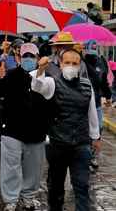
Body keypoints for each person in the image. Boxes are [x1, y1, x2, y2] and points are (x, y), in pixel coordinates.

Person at [31, 49, 100, 211]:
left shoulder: (86, 84)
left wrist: (96, 136)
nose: (70, 66)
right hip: (58, 144)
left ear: (79, 65)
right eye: (67, 62)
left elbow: (91, 112)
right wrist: (40, 69)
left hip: (81, 144)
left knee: (82, 186)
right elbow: (37, 86)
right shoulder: (52, 82)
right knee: (56, 188)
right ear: (60, 64)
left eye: (74, 63)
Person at [0, 43, 49, 211]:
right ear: (18, 57)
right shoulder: (11, 75)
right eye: (25, 56)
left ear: (38, 58)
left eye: (32, 56)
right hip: (12, 129)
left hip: (36, 131)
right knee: (11, 166)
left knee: (33, 168)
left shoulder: (46, 78)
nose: (28, 59)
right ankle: (11, 199)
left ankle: (28, 197)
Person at [82, 40, 111, 170]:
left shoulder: (101, 62)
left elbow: (104, 81)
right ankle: (84, 156)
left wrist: (109, 96)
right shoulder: (81, 62)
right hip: (83, 102)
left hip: (97, 102)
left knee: (98, 128)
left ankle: (92, 156)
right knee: (85, 130)